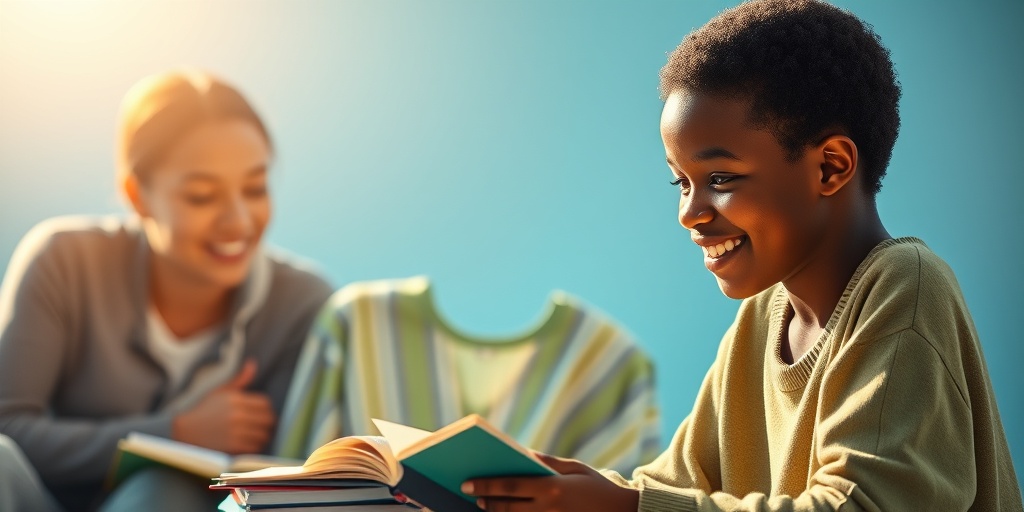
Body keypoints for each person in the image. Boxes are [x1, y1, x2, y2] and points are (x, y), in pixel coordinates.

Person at [460, 1, 1023, 510]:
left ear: (830, 167)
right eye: (681, 182)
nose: (689, 213)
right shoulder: (762, 319)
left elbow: (862, 504)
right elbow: (677, 487)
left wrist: (625, 507)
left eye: (720, 178)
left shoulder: (905, 287)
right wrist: (558, 493)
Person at [0, 70, 333, 512]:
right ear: (137, 196)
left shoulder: (302, 304)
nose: (238, 221)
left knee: (161, 492)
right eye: (201, 196)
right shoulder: (65, 261)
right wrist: (176, 432)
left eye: (255, 189)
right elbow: (8, 426)